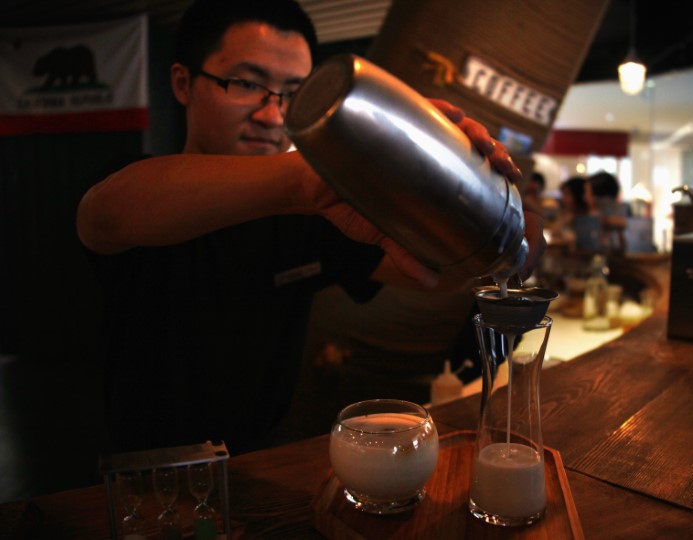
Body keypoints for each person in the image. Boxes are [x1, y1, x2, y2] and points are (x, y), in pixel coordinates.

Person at [75, 0, 545, 454]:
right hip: (140, 475)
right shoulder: (145, 186)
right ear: (182, 83)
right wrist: (310, 175)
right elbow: (104, 214)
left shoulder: (310, 216)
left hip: (260, 463)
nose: (272, 114)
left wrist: (476, 194)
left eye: (294, 93)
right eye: (244, 83)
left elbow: (432, 275)